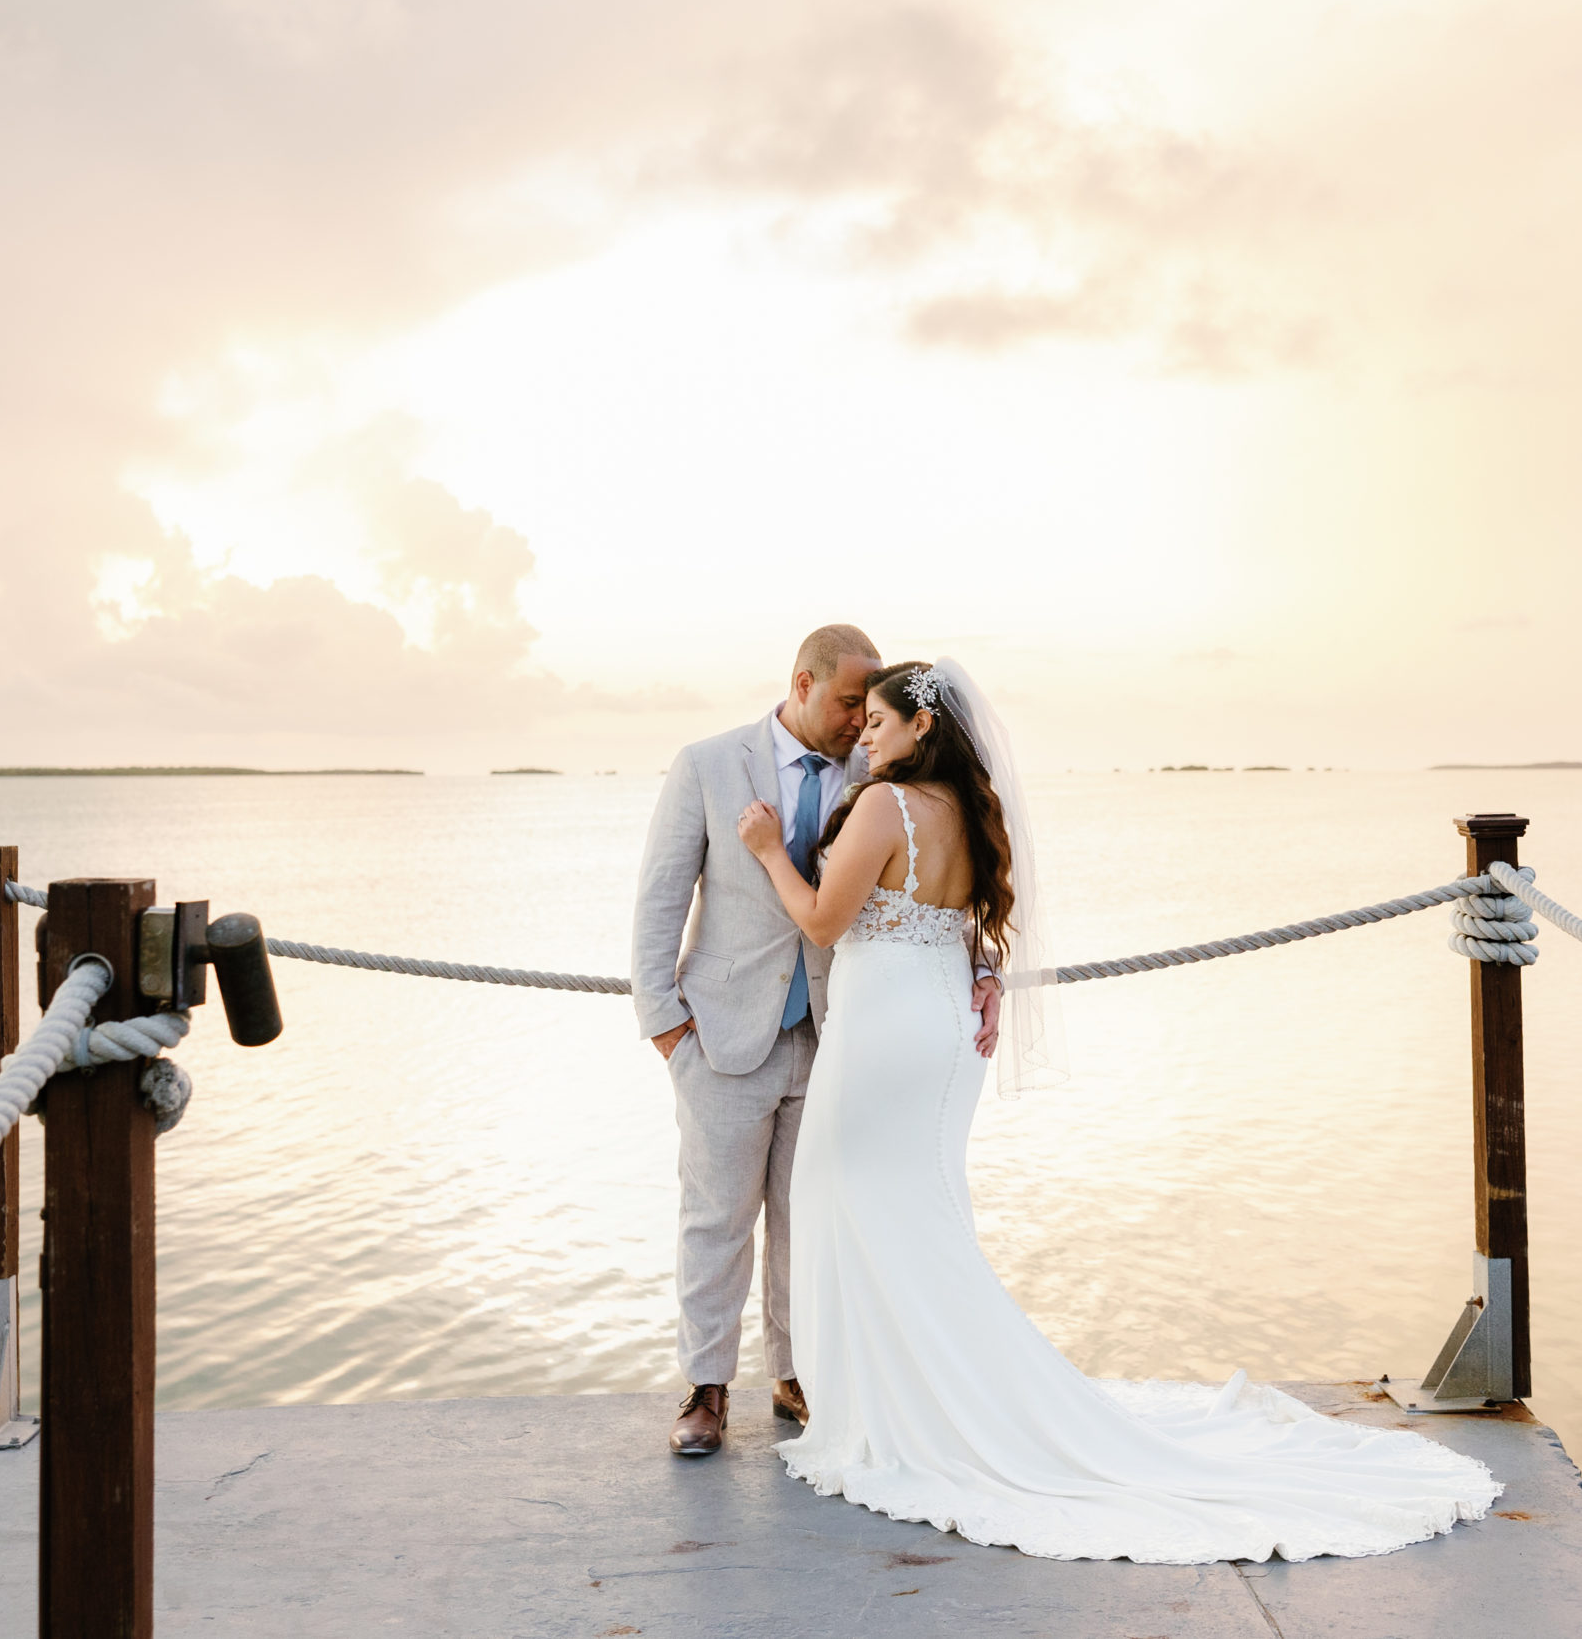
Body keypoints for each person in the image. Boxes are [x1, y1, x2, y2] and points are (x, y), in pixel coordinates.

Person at [733, 657, 1501, 1563]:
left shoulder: (882, 807)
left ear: (923, 728)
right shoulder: (969, 817)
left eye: (881, 721)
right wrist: (982, 975)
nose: (866, 732)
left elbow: (824, 922)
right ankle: (932, 1394)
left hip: (884, 1038)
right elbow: (965, 923)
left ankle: (897, 1412)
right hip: (942, 1030)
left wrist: (765, 851)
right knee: (919, 1215)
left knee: (845, 1202)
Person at [631, 626, 1000, 1457]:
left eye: (869, 711)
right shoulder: (708, 764)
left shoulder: (884, 772)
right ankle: (706, 1387)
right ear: (802, 683)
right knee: (715, 1217)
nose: (856, 724)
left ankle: (797, 1375)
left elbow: (933, 887)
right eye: (845, 705)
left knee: (813, 1219)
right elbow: (659, 900)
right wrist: (665, 1027)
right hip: (721, 1036)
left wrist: (984, 971)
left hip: (842, 1038)